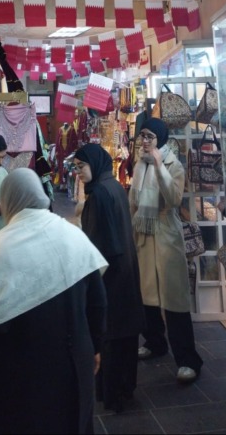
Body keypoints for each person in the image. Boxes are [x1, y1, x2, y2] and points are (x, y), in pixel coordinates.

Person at [0, 169, 108, 434]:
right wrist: (95, 346)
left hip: (27, 370)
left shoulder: (3, 245)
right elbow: (98, 300)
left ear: (9, 200)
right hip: (77, 359)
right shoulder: (71, 233)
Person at [128, 114, 203, 383]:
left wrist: (159, 166)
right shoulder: (139, 163)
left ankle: (187, 359)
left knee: (174, 299)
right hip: (144, 234)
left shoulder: (173, 164)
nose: (145, 141)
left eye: (150, 136)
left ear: (160, 138)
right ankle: (155, 342)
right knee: (147, 295)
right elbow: (133, 200)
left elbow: (173, 199)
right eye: (142, 136)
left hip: (166, 233)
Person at [74, 143, 144, 413]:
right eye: (76, 167)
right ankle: (125, 388)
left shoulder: (100, 194)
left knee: (111, 336)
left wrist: (91, 283)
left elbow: (100, 242)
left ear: (94, 163)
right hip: (124, 271)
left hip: (110, 275)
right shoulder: (112, 186)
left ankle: (113, 393)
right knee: (124, 335)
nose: (78, 172)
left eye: (81, 166)